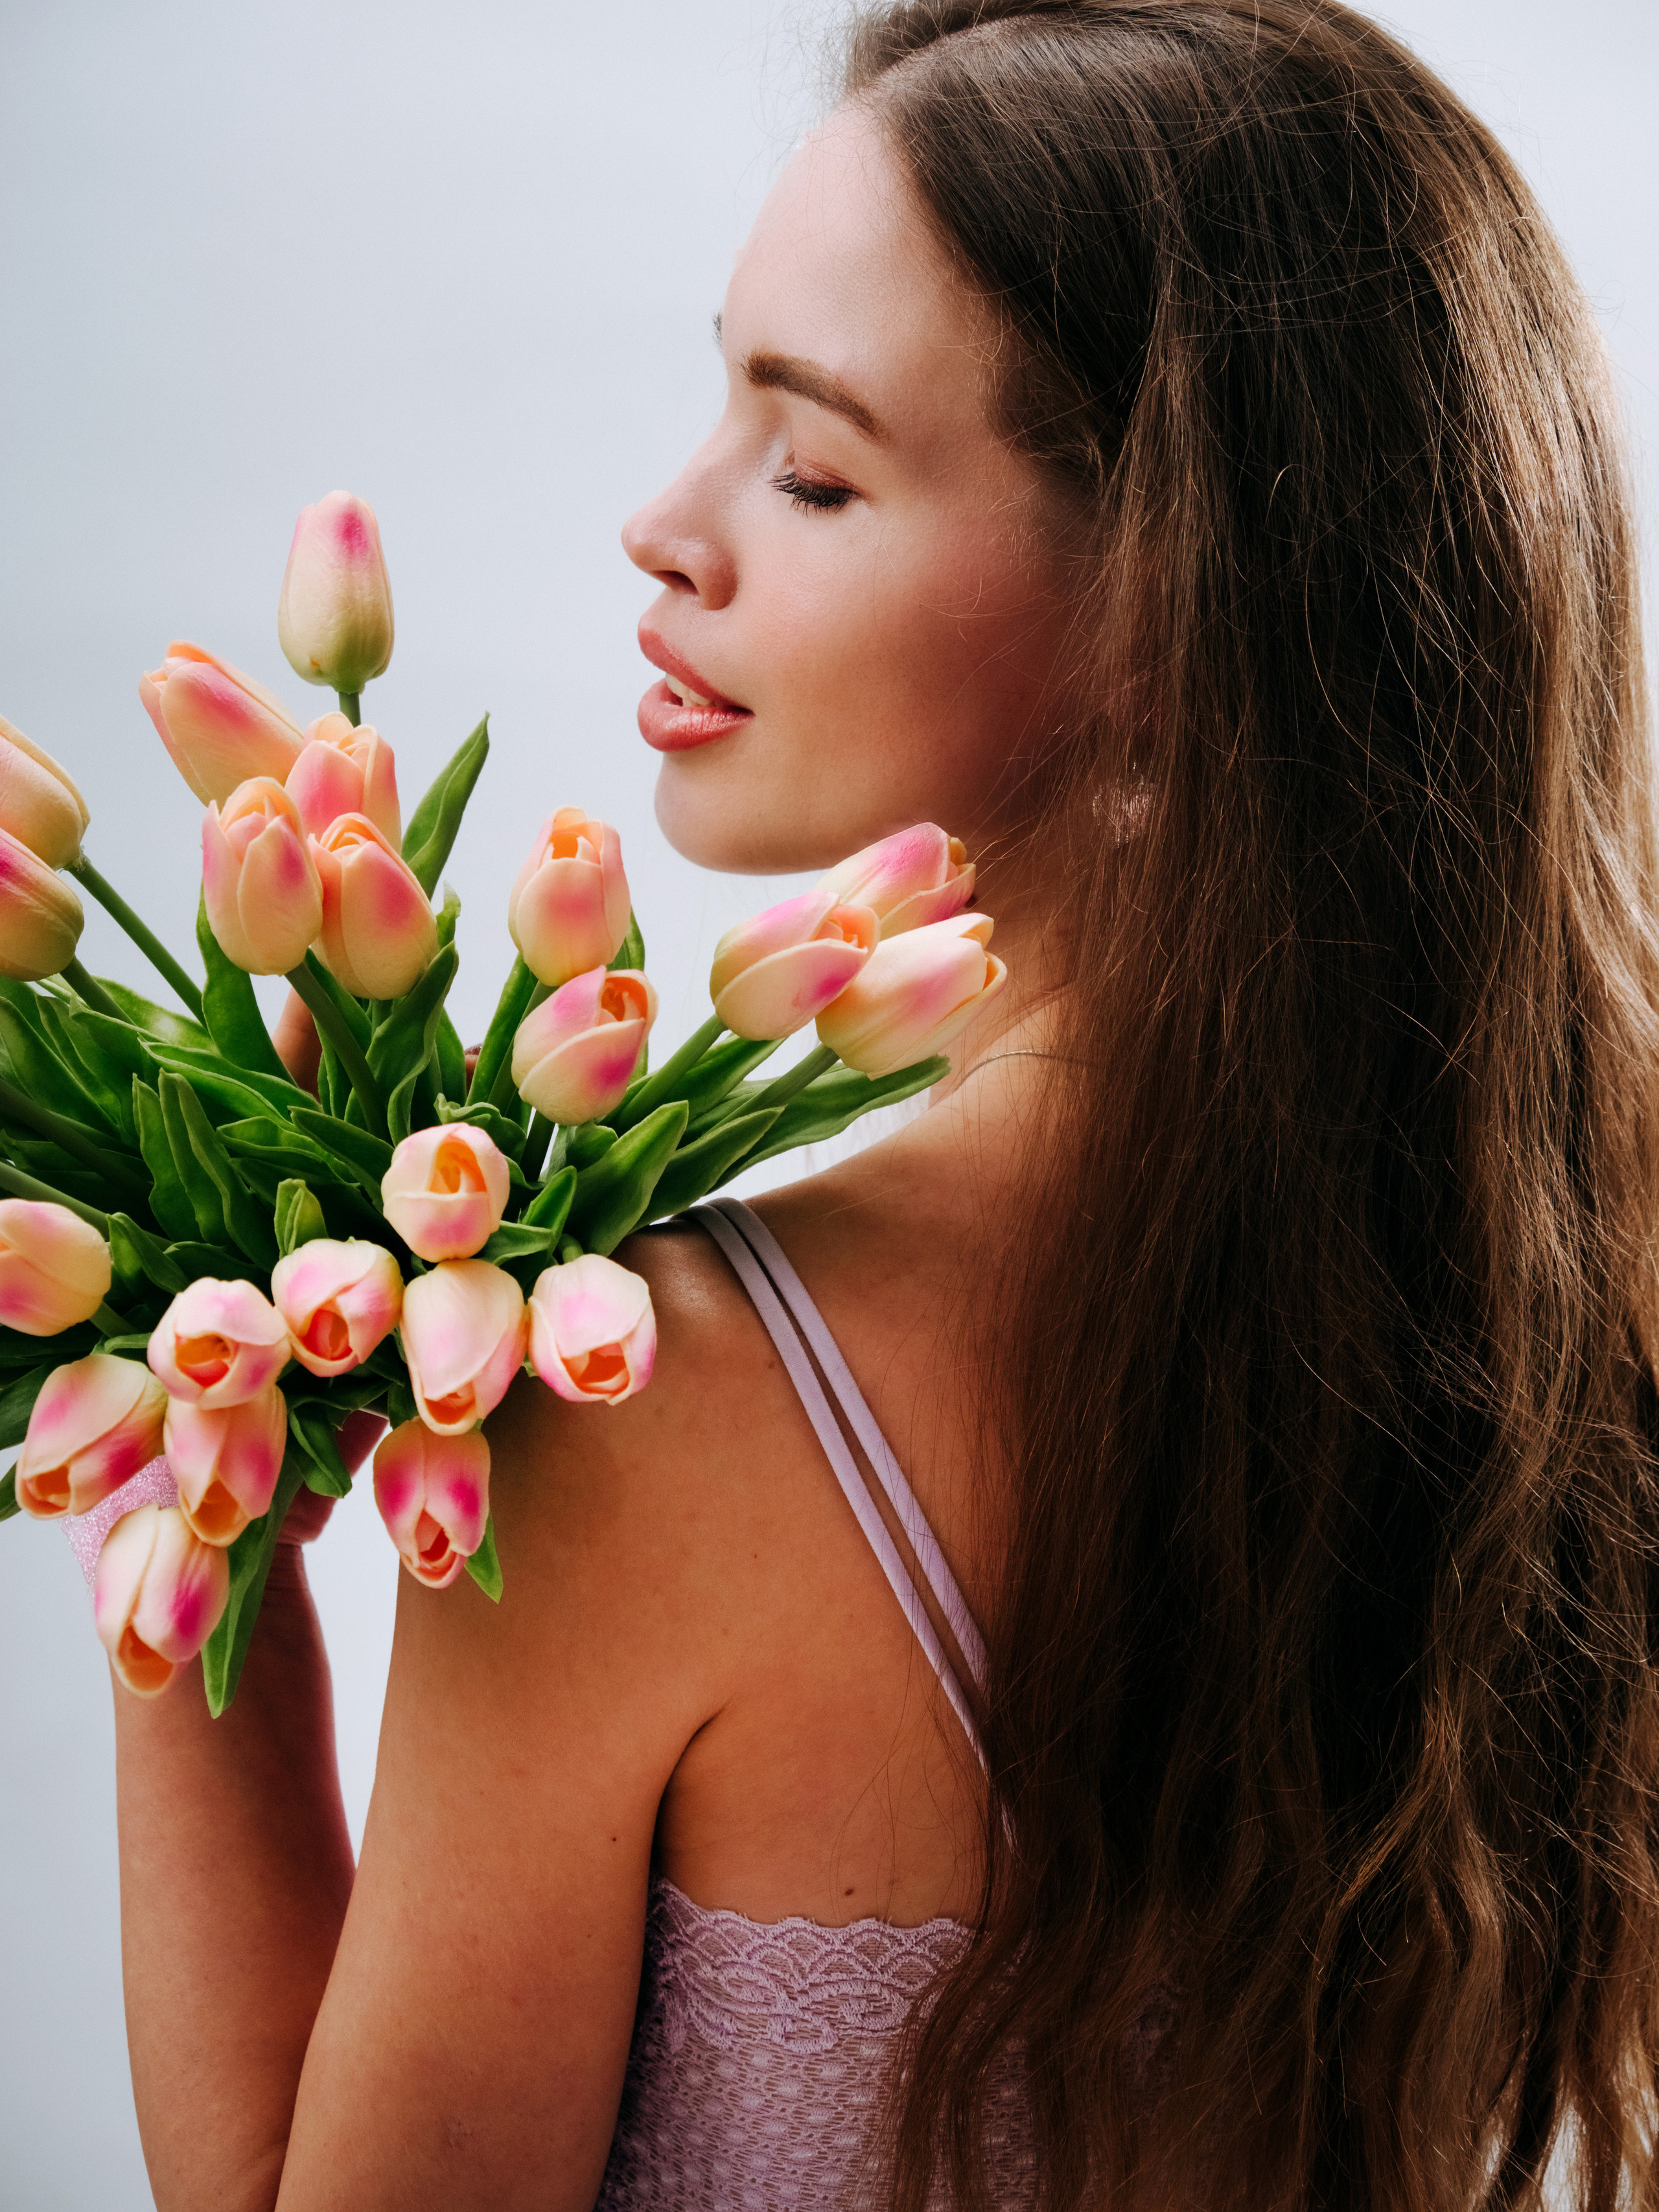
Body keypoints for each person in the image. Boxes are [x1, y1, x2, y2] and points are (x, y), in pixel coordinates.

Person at [110, 3, 1659, 2207]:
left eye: (815, 472)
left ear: (1169, 620)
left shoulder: (655, 1398)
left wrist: (187, 1445)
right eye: (720, 403)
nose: (666, 529)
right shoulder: (1589, 1320)